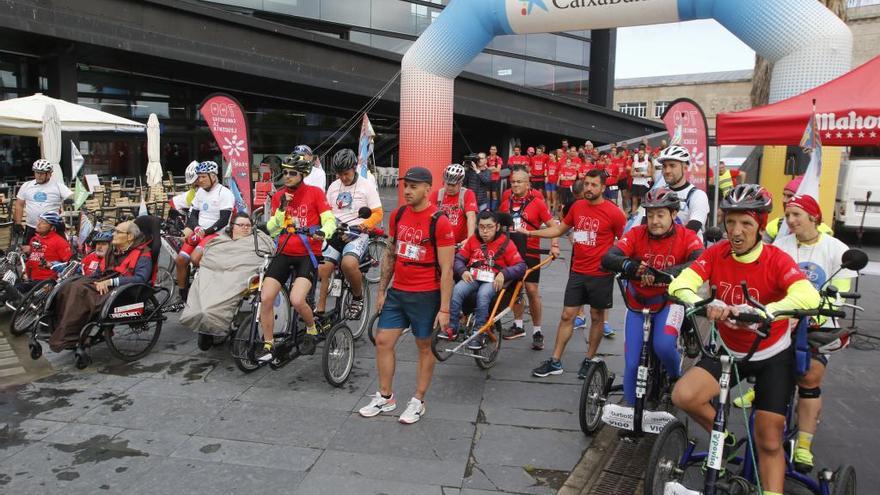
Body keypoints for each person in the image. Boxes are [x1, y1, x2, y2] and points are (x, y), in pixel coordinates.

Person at [667, 184, 821, 495]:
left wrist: (768, 311)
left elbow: (808, 295)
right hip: (728, 350)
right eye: (731, 222)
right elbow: (680, 284)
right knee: (683, 396)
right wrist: (701, 302)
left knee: (768, 438)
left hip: (771, 354)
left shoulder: (777, 259)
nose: (736, 231)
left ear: (760, 226)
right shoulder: (716, 253)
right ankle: (722, 439)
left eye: (746, 223)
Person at [734, 193, 854, 473]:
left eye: (796, 215)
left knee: (809, 376)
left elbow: (841, 296)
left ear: (813, 216)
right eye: (787, 215)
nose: (790, 220)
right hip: (782, 320)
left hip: (817, 324)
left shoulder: (837, 249)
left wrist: (813, 310)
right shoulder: (781, 244)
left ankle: (803, 445)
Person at [359, 166, 455, 425]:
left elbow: (447, 271)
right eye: (406, 186)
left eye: (414, 186)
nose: (408, 190)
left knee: (424, 347)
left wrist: (444, 308)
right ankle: (386, 396)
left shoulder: (440, 221)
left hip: (426, 294)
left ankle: (418, 401)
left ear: (427, 189)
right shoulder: (399, 214)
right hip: (398, 292)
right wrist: (381, 291)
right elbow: (391, 254)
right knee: (383, 341)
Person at [601, 188, 704, 411]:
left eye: (660, 215)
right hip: (638, 304)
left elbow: (700, 262)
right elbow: (609, 257)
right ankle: (629, 413)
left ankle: (675, 377)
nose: (654, 221)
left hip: (669, 301)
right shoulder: (637, 233)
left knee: (664, 345)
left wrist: (664, 273)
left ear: (674, 214)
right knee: (631, 364)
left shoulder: (687, 237)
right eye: (650, 215)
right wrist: (630, 266)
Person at [523, 170, 627, 378]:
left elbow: (624, 241)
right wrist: (531, 232)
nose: (589, 188)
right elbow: (560, 230)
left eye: (594, 185)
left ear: (603, 188)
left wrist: (615, 261)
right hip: (577, 271)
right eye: (586, 184)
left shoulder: (614, 212)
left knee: (597, 317)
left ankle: (589, 359)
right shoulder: (578, 206)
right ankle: (555, 361)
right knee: (566, 315)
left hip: (600, 274)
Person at [260, 154, 335, 360]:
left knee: (296, 299)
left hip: (307, 254)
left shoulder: (315, 193)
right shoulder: (279, 196)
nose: (287, 176)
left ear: (303, 175)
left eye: (292, 173)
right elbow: (273, 229)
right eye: (284, 172)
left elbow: (330, 220)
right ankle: (268, 343)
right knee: (265, 297)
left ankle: (311, 328)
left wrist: (324, 232)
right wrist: (282, 208)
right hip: (283, 251)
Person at [48, 221, 154, 352]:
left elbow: (141, 279)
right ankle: (65, 331)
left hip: (125, 290)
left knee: (80, 293)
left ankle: (69, 337)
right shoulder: (113, 251)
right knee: (70, 286)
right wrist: (84, 279)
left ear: (130, 237)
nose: (113, 234)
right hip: (103, 282)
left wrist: (110, 282)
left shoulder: (143, 254)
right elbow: (99, 273)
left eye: (117, 232)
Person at [181, 213, 275, 347]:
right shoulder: (219, 241)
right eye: (241, 225)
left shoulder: (258, 241)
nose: (245, 228)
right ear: (232, 227)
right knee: (203, 288)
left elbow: (261, 257)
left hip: (237, 276)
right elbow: (207, 258)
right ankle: (204, 320)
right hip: (213, 272)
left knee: (219, 297)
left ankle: (214, 321)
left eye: (248, 225)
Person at [442, 210, 526, 350]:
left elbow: (521, 266)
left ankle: (478, 333)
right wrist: (462, 271)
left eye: (489, 227)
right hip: (474, 276)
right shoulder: (473, 240)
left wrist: (504, 273)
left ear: (497, 227)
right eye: (481, 227)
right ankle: (453, 327)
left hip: (492, 280)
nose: (485, 231)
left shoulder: (506, 243)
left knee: (483, 295)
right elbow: (458, 259)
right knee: (457, 290)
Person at [317, 148, 384, 320]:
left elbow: (378, 213)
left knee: (348, 264)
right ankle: (319, 311)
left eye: (346, 173)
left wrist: (363, 226)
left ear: (354, 168)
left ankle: (357, 297)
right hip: (336, 232)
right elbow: (327, 212)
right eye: (339, 174)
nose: (343, 178)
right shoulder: (333, 186)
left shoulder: (366, 186)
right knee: (322, 268)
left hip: (357, 233)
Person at [499, 168, 559, 350]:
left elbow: (553, 226)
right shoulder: (505, 202)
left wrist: (554, 245)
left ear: (527, 184)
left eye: (519, 182)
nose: (515, 185)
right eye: (513, 182)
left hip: (531, 252)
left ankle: (537, 330)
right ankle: (518, 326)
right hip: (510, 253)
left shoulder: (538, 203)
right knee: (514, 290)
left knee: (531, 290)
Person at [176, 161, 234, 301]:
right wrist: (196, 227)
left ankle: (216, 284)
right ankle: (183, 294)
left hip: (216, 233)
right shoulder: (200, 192)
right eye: (199, 177)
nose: (199, 180)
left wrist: (205, 232)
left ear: (213, 176)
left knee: (196, 258)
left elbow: (224, 220)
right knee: (180, 260)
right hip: (200, 232)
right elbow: (193, 214)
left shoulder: (224, 193)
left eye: (203, 177)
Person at [1, 211, 73, 308]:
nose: (38, 224)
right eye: (39, 220)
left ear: (52, 227)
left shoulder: (60, 242)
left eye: (43, 222)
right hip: (30, 279)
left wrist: (56, 279)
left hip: (46, 282)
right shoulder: (35, 239)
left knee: (10, 290)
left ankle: (18, 299)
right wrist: (25, 272)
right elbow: (32, 259)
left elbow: (69, 265)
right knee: (6, 282)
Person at [14, 159, 73, 250]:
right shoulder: (26, 186)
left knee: (59, 250)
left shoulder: (57, 185)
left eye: (42, 173)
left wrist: (70, 200)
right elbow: (19, 205)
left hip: (53, 227)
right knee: (27, 251)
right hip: (32, 226)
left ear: (49, 173)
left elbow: (71, 197)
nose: (39, 175)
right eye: (37, 173)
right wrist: (18, 223)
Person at [656, 145, 710, 236]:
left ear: (685, 168)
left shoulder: (697, 195)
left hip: (688, 249)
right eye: (664, 166)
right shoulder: (657, 194)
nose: (667, 170)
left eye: (672, 165)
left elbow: (691, 231)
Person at [764, 176, 833, 242]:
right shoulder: (775, 225)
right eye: (784, 195)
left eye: (790, 196)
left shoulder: (824, 231)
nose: (784, 200)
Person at [431, 163, 478, 245]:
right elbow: (429, 217)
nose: (449, 188)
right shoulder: (437, 195)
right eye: (447, 184)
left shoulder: (467, 194)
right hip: (439, 243)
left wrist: (470, 239)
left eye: (453, 185)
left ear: (460, 184)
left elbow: (471, 217)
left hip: (459, 244)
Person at [630, 148, 652, 215]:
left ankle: (643, 215)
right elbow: (631, 173)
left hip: (643, 184)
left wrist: (642, 174)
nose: (640, 155)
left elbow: (650, 174)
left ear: (644, 154)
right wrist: (636, 174)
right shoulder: (634, 163)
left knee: (643, 201)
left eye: (642, 153)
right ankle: (633, 215)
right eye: (639, 154)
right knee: (634, 201)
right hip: (635, 183)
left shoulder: (647, 163)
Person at [486, 145, 504, 210]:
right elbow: (485, 169)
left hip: (495, 179)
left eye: (494, 149)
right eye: (491, 149)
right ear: (489, 150)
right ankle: (487, 209)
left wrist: (489, 168)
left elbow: (498, 170)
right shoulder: (487, 158)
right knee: (487, 195)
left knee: (494, 195)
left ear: (496, 151)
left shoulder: (499, 159)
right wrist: (493, 168)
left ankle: (493, 210)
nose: (492, 150)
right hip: (487, 178)